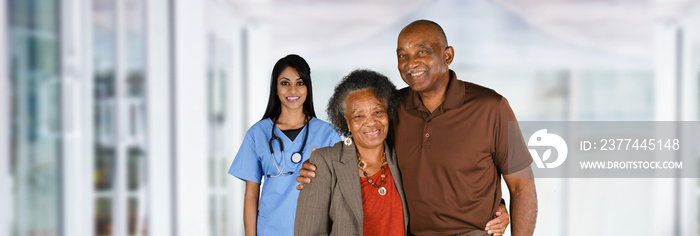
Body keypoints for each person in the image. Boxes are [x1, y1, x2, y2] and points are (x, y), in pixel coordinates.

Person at [298, 20, 537, 236]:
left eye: (422, 52)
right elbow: (365, 145)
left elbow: (522, 188)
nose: (411, 63)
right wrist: (318, 167)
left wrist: (500, 207)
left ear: (448, 55)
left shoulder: (492, 107)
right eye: (403, 55)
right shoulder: (393, 108)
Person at [229, 54, 341, 236]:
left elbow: (339, 192)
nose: (293, 90)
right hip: (271, 229)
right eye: (285, 83)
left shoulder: (327, 134)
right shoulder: (258, 134)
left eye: (300, 83)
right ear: (275, 88)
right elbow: (251, 195)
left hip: (315, 230)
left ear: (308, 88)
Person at [295, 69, 408, 235]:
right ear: (347, 122)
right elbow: (308, 232)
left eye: (377, 112)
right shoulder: (325, 162)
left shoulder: (400, 155)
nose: (371, 122)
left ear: (387, 112)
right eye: (359, 116)